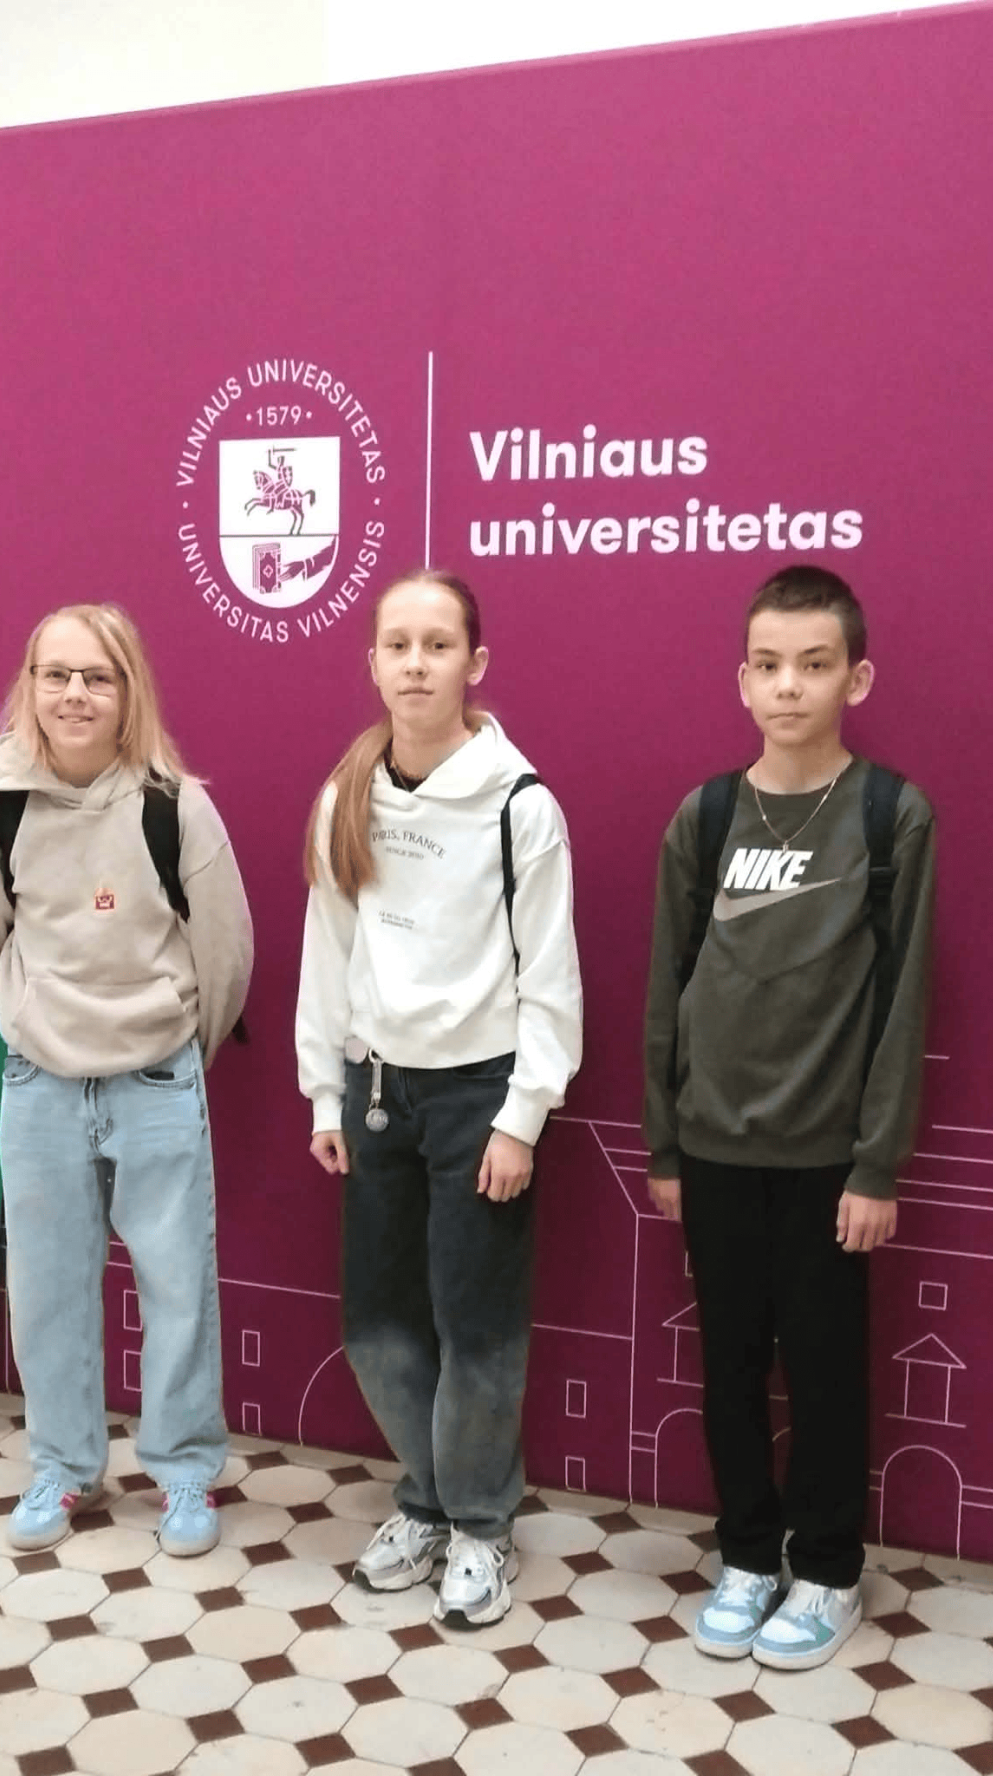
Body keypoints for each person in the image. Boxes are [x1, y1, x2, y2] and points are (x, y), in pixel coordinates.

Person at [643, 565, 934, 1671]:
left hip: (828, 1162)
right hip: (714, 1149)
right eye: (768, 665)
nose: (789, 686)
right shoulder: (707, 815)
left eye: (814, 665)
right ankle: (748, 1557)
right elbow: (668, 988)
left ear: (856, 677)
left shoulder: (891, 815)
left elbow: (904, 1003)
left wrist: (877, 1165)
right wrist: (666, 1142)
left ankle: (826, 1571)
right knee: (728, 1366)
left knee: (822, 1371)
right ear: (742, 680)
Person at [296, 568, 582, 1629]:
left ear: (474, 663)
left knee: (477, 1327)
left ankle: (479, 1525)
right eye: (398, 645)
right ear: (372, 663)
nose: (416, 664)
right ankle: (423, 1500)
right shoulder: (347, 797)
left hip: (480, 1101)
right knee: (379, 1324)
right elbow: (328, 953)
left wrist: (521, 1117)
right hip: (374, 1093)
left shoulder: (520, 805)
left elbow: (551, 978)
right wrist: (322, 1094)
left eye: (438, 645)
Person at [0, 603, 253, 1556]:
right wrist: (39, 1023)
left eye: (98, 676)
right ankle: (63, 1466)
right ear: (30, 687)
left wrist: (171, 1052)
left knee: (177, 1287)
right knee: (46, 1288)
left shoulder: (176, 807)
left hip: (154, 1081)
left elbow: (225, 956)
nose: (75, 694)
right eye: (56, 674)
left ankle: (183, 1472)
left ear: (129, 691)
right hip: (40, 1083)